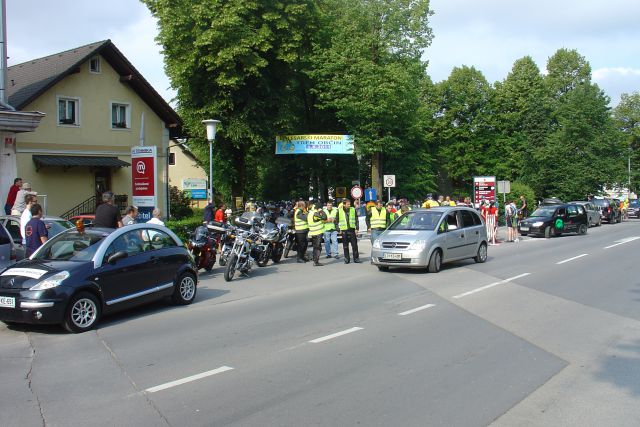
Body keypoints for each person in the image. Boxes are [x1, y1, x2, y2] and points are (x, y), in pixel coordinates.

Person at [337, 198, 360, 264]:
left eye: (350, 204)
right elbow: (336, 221)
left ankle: (356, 258)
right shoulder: (339, 211)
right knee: (345, 246)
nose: (349, 205)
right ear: (344, 204)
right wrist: (338, 229)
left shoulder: (353, 209)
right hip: (344, 231)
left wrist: (357, 228)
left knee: (354, 245)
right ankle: (347, 259)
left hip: (352, 230)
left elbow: (356, 219)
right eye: (348, 204)